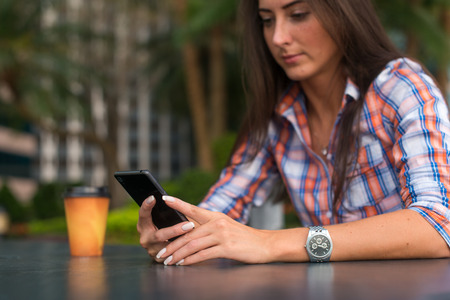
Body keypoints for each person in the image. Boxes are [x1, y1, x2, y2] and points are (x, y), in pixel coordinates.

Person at [138, 0, 450, 265]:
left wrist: (271, 243)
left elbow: (438, 224)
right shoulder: (277, 117)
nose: (278, 37)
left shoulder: (401, 89)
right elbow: (217, 213)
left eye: (298, 15)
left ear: (343, 12)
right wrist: (176, 238)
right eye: (267, 21)